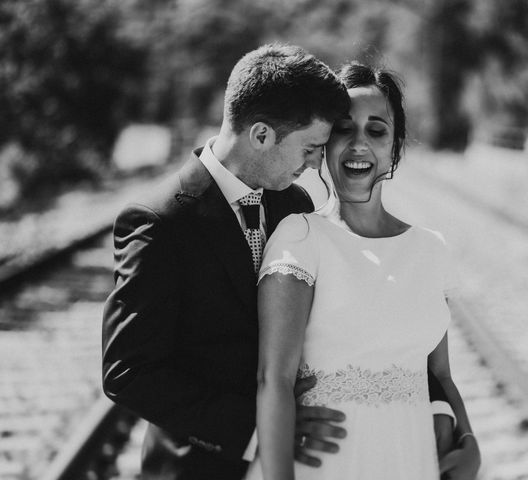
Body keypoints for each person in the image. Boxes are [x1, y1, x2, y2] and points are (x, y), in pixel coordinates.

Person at [101, 43, 351, 480]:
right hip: (197, 465)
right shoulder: (159, 221)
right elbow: (128, 372)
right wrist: (260, 429)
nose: (315, 165)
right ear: (260, 135)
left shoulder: (294, 202)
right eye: (310, 148)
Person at [247, 62, 481, 480]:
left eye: (376, 131)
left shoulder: (430, 249)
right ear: (322, 143)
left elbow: (439, 374)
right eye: (343, 129)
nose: (359, 145)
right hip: (326, 464)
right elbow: (273, 380)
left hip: (410, 458)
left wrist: (469, 442)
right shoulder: (300, 237)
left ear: (394, 146)